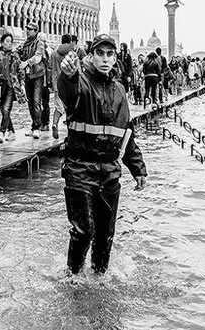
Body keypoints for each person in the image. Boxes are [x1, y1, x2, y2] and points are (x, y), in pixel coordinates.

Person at [58, 34, 147, 276]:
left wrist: (137, 167)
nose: (105, 59)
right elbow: (68, 90)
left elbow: (126, 132)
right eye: (100, 54)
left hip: (109, 172)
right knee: (83, 231)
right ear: (91, 56)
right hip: (79, 167)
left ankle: (99, 278)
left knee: (105, 234)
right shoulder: (81, 82)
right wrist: (67, 74)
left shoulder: (119, 90)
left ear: (115, 58)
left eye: (110, 54)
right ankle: (72, 277)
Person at [0, 33, 20, 143]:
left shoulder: (14, 54)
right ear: (2, 42)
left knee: (6, 109)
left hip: (10, 85)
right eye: (7, 41)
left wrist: (22, 85)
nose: (9, 43)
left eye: (10, 41)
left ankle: (1, 132)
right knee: (3, 110)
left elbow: (19, 70)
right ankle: (11, 131)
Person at [18, 21, 45, 139]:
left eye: (30, 29)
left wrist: (26, 63)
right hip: (28, 76)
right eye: (27, 29)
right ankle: (33, 126)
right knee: (30, 102)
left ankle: (37, 128)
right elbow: (16, 51)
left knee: (36, 101)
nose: (27, 31)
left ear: (35, 31)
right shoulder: (25, 44)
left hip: (38, 75)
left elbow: (38, 57)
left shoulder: (39, 43)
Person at [49, 34, 73, 139]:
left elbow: (51, 69)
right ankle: (70, 131)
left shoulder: (54, 54)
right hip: (69, 84)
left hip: (57, 84)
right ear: (70, 41)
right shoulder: (71, 53)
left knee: (58, 107)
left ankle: (54, 123)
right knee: (70, 108)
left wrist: (52, 85)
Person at [39, 33, 52, 132]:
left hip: (45, 82)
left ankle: (46, 123)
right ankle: (38, 123)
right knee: (37, 103)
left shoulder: (48, 51)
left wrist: (49, 82)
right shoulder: (37, 51)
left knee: (45, 104)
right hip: (37, 81)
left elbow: (50, 67)